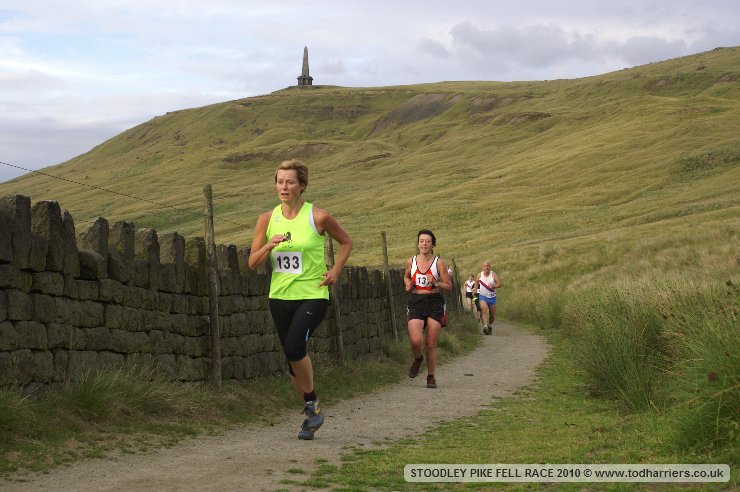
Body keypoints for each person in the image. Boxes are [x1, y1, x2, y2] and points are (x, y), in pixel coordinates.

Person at [248, 159, 352, 440]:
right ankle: (311, 412)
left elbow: (346, 242)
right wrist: (269, 245)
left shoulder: (318, 217)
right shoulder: (266, 220)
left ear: (302, 186)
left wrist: (336, 270)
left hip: (313, 294)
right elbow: (252, 263)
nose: (284, 187)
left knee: (294, 346)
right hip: (280, 296)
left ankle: (311, 404)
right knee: (290, 358)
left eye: (290, 182)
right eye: (279, 181)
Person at [404, 229, 452, 389]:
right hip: (416, 301)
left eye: (428, 241)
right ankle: (418, 358)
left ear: (433, 244)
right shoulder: (410, 262)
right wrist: (407, 284)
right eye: (421, 241)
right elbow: (406, 276)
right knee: (416, 341)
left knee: (430, 344)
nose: (424, 244)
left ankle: (431, 377)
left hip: (434, 302)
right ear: (418, 244)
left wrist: (436, 282)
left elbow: (449, 286)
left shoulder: (439, 263)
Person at [474, 261, 501, 335]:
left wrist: (494, 286)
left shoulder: (493, 275)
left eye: (488, 266)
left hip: (492, 297)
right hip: (483, 296)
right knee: (484, 310)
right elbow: (476, 282)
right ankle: (485, 327)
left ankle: (489, 325)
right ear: (482, 267)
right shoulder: (480, 275)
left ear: (490, 267)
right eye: (485, 266)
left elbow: (499, 284)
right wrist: (475, 290)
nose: (486, 267)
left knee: (492, 315)